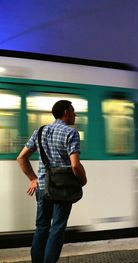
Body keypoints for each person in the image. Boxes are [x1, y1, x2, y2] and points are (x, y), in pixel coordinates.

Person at [17, 100, 87, 263]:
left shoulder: (40, 131)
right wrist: (83, 180)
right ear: (66, 113)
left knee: (41, 227)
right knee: (57, 228)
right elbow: (75, 164)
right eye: (73, 111)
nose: (75, 114)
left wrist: (33, 178)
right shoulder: (71, 133)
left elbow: (21, 157)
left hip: (42, 187)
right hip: (62, 188)